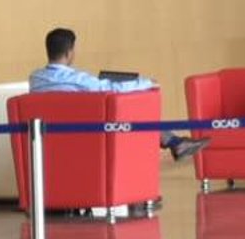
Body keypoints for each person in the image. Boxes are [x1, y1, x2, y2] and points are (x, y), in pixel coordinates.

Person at [29, 28, 208, 160]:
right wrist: (145, 83)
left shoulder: (35, 79)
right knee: (135, 113)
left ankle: (175, 143)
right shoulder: (77, 79)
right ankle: (175, 143)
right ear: (69, 52)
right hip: (90, 136)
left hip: (51, 138)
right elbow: (110, 88)